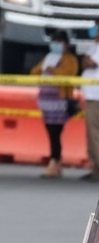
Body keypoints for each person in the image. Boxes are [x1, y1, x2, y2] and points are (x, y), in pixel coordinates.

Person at [33, 30, 80, 179]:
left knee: (55, 133)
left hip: (60, 102)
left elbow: (68, 74)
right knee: (51, 132)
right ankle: (57, 162)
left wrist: (54, 70)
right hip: (46, 102)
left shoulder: (70, 60)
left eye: (60, 42)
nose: (56, 45)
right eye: (54, 42)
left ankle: (54, 161)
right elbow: (33, 72)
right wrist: (42, 68)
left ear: (67, 45)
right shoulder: (47, 58)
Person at [84, 25, 99, 182]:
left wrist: (88, 60)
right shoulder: (94, 47)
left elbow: (90, 63)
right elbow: (85, 62)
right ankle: (95, 168)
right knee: (91, 134)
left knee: (95, 134)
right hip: (91, 96)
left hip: (96, 97)